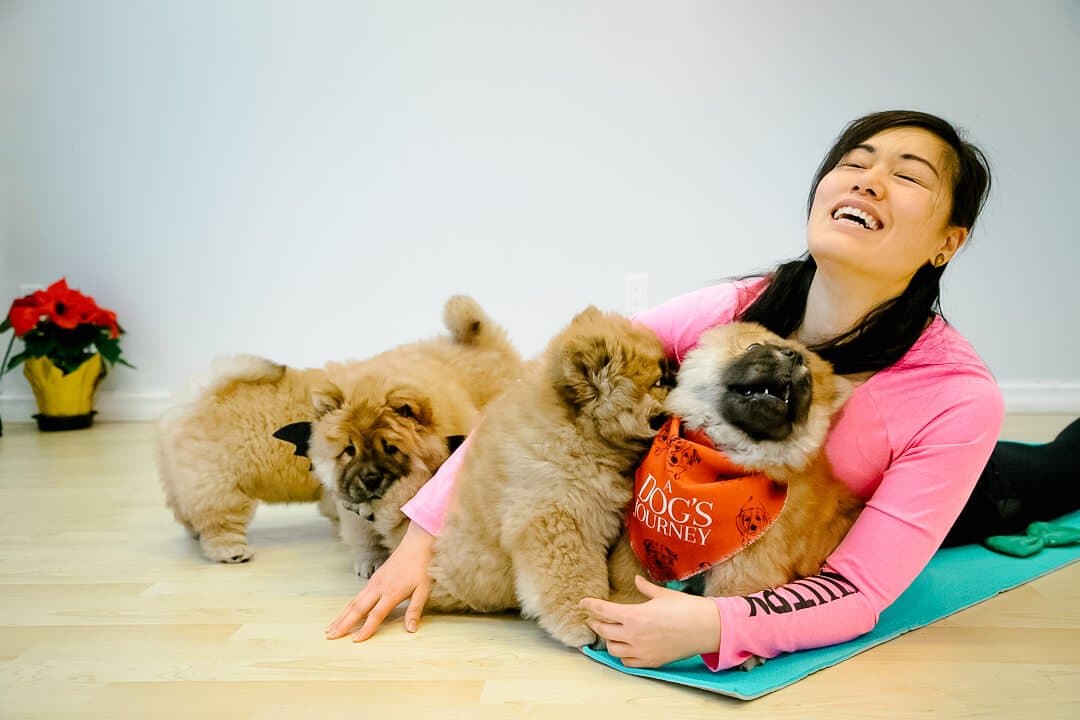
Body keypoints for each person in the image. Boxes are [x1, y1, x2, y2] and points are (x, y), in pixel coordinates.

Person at [325, 110, 1080, 670]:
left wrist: (721, 627)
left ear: (948, 241)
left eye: (908, 175)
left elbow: (860, 585)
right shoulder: (729, 310)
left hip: (923, 504)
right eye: (854, 161)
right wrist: (421, 540)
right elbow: (536, 403)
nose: (868, 179)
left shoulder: (956, 396)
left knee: (1056, 471)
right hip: (698, 512)